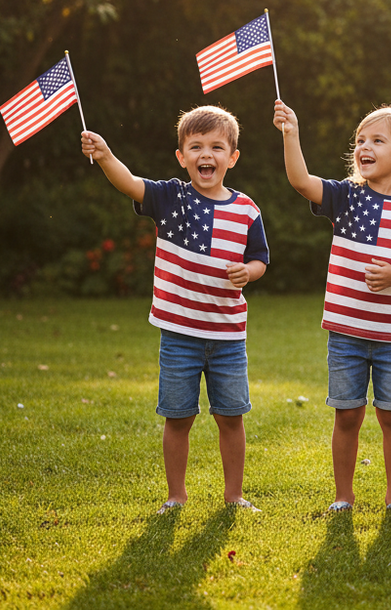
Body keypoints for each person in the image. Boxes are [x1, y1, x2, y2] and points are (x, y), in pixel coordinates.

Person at [80, 105, 268, 514]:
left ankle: (234, 496)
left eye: (217, 147)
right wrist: (106, 154)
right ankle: (176, 496)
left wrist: (247, 272)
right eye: (196, 146)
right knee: (178, 418)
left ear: (232, 158)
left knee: (231, 418)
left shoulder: (247, 210)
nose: (207, 154)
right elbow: (129, 183)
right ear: (182, 157)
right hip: (179, 335)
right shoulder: (170, 196)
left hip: (228, 338)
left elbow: (260, 260)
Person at [274, 100, 391, 513]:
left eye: (377, 140)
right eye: (360, 140)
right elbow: (299, 180)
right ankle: (343, 497)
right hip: (346, 334)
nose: (364, 147)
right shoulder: (346, 196)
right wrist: (291, 133)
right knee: (347, 416)